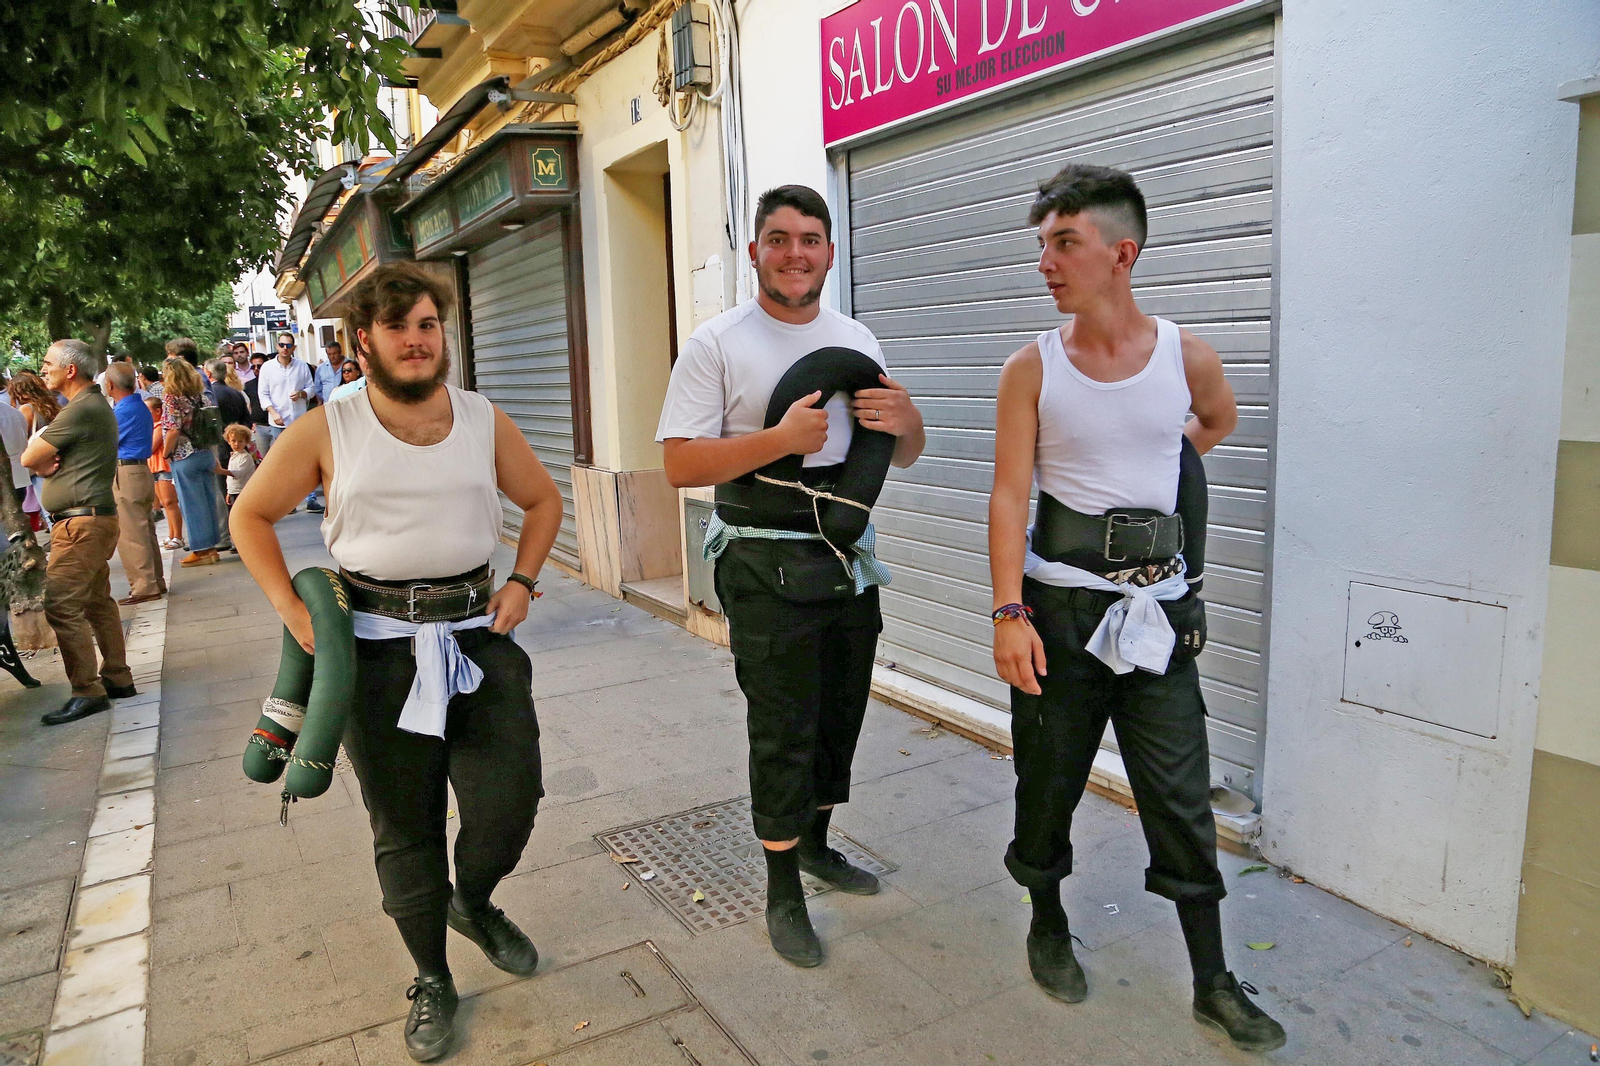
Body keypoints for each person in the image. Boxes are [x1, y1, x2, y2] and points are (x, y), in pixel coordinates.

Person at [232, 263, 565, 1062]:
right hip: (376, 658)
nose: (416, 341)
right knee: (404, 826)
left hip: (478, 643)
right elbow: (252, 515)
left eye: (427, 325)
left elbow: (544, 500)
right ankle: (431, 976)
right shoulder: (327, 428)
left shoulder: (484, 419)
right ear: (364, 342)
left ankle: (474, 901)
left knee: (509, 803)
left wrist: (521, 579)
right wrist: (292, 611)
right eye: (398, 328)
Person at [988, 164, 1284, 1052]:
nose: (1047, 260)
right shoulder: (1029, 369)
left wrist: (1157, 480)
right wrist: (1008, 614)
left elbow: (1214, 421)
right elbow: (1008, 496)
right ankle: (1046, 919)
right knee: (1048, 784)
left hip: (1154, 619)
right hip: (1059, 615)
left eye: (1064, 243)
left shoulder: (1186, 357)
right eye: (1042, 244)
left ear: (1122, 253)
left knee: (1181, 798)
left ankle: (1212, 981)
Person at [656, 185, 927, 967]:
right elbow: (679, 463)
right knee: (783, 726)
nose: (795, 253)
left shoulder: (856, 337)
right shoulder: (718, 342)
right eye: (779, 238)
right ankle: (781, 888)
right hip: (760, 557)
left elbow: (897, 451)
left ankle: (816, 844)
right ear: (754, 252)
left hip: (845, 557)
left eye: (810, 239)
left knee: (840, 713)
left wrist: (909, 423)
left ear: (830, 252)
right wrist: (776, 438)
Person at [20, 340, 138, 724]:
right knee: (96, 601)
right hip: (89, 520)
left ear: (71, 370)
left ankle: (87, 690)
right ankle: (118, 679)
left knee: (60, 603)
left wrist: (39, 464)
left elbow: (28, 457)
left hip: (80, 525)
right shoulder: (91, 407)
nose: (43, 370)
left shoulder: (82, 408)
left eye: (48, 364)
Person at [105, 363, 166, 605]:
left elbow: (106, 441)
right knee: (144, 529)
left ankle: (144, 586)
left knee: (131, 533)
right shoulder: (138, 405)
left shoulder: (122, 411)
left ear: (110, 385)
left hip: (126, 471)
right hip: (139, 468)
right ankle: (154, 580)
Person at [160, 358, 223, 568]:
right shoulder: (199, 395)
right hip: (204, 451)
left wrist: (166, 453)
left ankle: (200, 549)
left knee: (191, 505)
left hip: (184, 455)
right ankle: (212, 547)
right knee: (207, 502)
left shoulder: (172, 398)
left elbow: (173, 429)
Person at [256, 331, 321, 513]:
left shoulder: (301, 366)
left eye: (288, 345)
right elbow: (263, 394)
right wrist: (272, 411)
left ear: (293, 347)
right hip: (279, 421)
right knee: (282, 462)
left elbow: (311, 388)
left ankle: (310, 498)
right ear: (277, 346)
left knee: (305, 460)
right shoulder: (268, 368)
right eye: (282, 345)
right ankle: (288, 501)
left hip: (299, 419)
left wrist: (302, 394)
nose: (285, 349)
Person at [11, 369, 62, 530]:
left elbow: (19, 438)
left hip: (38, 465)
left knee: (48, 511)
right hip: (55, 459)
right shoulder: (52, 405)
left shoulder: (26, 409)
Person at [147, 396, 183, 550]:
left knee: (170, 502)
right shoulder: (151, 426)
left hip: (163, 467)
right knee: (164, 503)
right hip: (154, 467)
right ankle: (171, 534)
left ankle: (178, 536)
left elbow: (151, 447)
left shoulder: (160, 426)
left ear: (157, 410)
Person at [216, 424, 256, 507]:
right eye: (233, 441)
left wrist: (222, 471)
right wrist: (229, 492)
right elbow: (230, 478)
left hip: (243, 491)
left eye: (240, 441)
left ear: (246, 442)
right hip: (234, 491)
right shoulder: (233, 455)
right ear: (229, 441)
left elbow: (239, 473)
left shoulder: (245, 457)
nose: (237, 444)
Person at [315, 339, 348, 404]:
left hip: (346, 404)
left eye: (334, 353)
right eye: (329, 354)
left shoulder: (350, 365)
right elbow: (318, 389)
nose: (332, 357)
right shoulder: (321, 369)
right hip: (329, 406)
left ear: (340, 352)